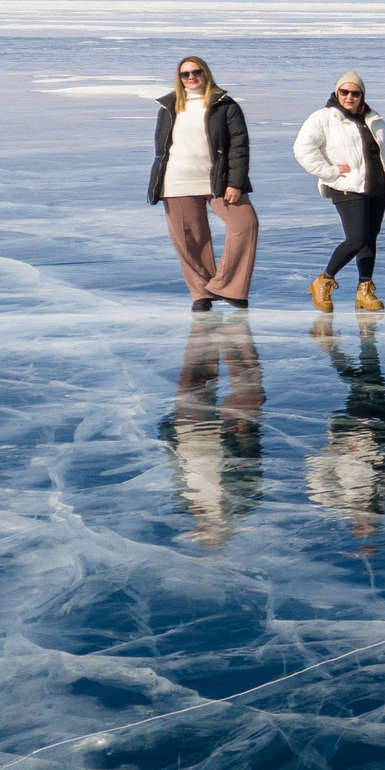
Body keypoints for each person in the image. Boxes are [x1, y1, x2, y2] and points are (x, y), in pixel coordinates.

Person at [150, 55, 256, 311]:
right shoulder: (168, 107)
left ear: (206, 74)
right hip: (176, 180)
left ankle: (227, 286)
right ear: (179, 78)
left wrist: (235, 182)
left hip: (216, 179)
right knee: (190, 240)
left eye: (196, 72)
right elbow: (163, 148)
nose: (191, 78)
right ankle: (201, 293)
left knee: (245, 224)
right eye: (185, 74)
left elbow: (239, 146)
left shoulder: (224, 105)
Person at [294, 71, 385, 314]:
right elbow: (302, 150)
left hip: (376, 186)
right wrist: (330, 173)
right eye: (344, 92)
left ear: (362, 95)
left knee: (369, 238)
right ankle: (323, 280)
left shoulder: (373, 118)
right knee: (356, 238)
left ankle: (365, 290)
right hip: (347, 186)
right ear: (336, 92)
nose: (349, 97)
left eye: (355, 93)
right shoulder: (323, 118)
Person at [304, 317, 385, 547]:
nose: (369, 515)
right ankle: (353, 340)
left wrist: (340, 449)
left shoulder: (333, 499)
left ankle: (347, 343)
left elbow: (316, 472)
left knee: (367, 381)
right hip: (382, 431)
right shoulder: (381, 496)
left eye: (364, 522)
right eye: (373, 520)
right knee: (373, 378)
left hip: (354, 432)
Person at [161, 313, 263, 549]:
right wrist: (246, 437)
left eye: (205, 533)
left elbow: (177, 470)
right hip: (231, 437)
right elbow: (252, 469)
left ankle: (203, 327)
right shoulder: (244, 506)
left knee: (193, 382)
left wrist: (168, 436)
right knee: (248, 385)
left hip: (190, 437)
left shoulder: (185, 504)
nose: (210, 529)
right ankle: (235, 331)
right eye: (217, 535)